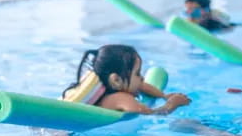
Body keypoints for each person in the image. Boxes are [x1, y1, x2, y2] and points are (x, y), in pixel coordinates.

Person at [62, 44, 190, 115]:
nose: (142, 78)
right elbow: (148, 113)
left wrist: (164, 95)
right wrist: (172, 104)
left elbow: (142, 85)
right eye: (138, 73)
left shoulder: (109, 86)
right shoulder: (121, 98)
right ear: (116, 80)